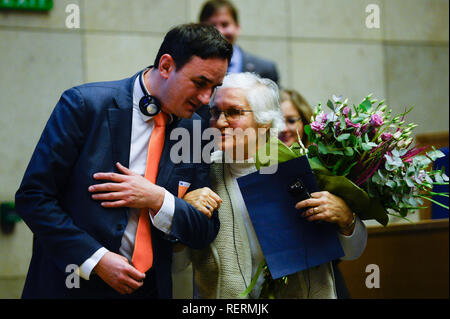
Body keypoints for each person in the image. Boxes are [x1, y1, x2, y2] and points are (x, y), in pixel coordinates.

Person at [14, 23, 232, 299]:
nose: (205, 98)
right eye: (200, 83)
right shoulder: (84, 105)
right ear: (165, 66)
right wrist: (96, 259)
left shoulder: (196, 130)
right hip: (70, 285)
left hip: (149, 290)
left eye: (214, 87)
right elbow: (33, 198)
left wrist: (159, 199)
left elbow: (205, 230)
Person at [174, 73, 367, 298]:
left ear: (264, 121)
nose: (219, 122)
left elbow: (353, 252)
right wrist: (181, 214)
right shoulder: (199, 174)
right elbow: (178, 266)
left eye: (233, 112)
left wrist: (346, 218)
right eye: (215, 112)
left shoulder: (299, 166)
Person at [278, 88, 353, 298]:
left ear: (305, 122)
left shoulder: (328, 166)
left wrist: (347, 217)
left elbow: (354, 249)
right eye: (276, 121)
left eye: (291, 120)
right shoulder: (255, 169)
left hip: (326, 283)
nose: (284, 128)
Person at [199, 0, 279, 83]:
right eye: (212, 25)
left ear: (237, 27)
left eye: (225, 24)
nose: (220, 31)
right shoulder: (193, 66)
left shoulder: (265, 69)